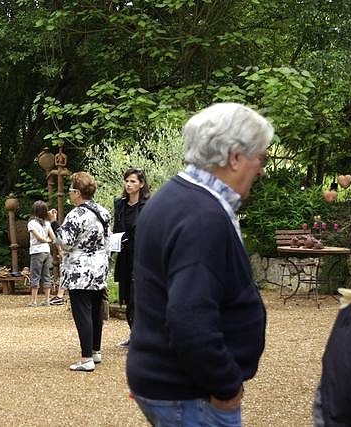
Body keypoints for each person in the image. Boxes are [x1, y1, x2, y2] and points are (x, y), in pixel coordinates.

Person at [126, 103, 273, 426]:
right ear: (234, 157)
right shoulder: (202, 216)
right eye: (259, 157)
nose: (261, 169)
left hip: (168, 382)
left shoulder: (172, 197)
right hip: (191, 393)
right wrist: (226, 386)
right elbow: (189, 319)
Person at [49, 171, 111, 372]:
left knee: (82, 312)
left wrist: (54, 224)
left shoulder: (76, 214)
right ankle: (95, 351)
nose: (69, 193)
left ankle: (86, 359)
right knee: (95, 310)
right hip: (99, 266)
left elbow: (65, 242)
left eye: (70, 190)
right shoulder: (103, 211)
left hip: (79, 270)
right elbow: (107, 239)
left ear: (77, 192)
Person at [113, 167, 150, 348]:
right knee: (127, 294)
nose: (128, 184)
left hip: (142, 257)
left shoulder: (148, 205)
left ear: (141, 184)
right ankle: (134, 333)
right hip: (125, 255)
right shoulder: (119, 205)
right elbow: (115, 229)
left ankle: (141, 335)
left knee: (138, 295)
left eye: (133, 181)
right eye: (127, 181)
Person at [27, 200, 58, 307]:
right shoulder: (47, 223)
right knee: (46, 275)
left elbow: (39, 238)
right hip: (46, 252)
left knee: (35, 275)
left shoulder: (31, 223)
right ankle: (47, 300)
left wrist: (46, 240)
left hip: (36, 252)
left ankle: (34, 301)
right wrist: (50, 241)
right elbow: (54, 238)